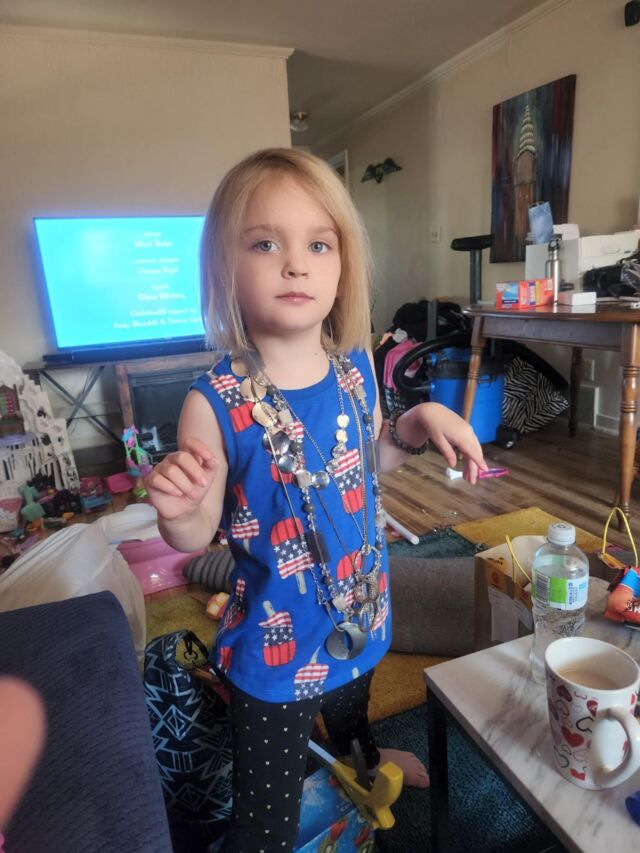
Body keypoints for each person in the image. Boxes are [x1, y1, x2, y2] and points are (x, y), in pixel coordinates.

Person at [144, 147, 486, 851]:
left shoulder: (355, 367)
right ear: (224, 269)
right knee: (264, 820)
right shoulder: (214, 402)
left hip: (360, 604)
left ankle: (362, 758)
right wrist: (179, 513)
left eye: (318, 245)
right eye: (265, 244)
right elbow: (198, 529)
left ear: (342, 265)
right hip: (276, 650)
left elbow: (369, 454)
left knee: (353, 700)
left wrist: (417, 423)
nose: (296, 264)